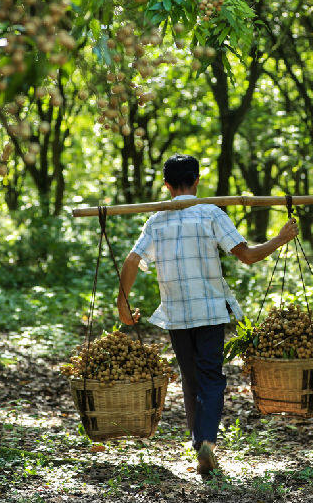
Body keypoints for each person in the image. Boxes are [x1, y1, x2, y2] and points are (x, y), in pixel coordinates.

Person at [116, 154, 298, 477]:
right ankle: (207, 445)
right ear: (197, 181)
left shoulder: (157, 220)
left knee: (191, 380)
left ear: (167, 185)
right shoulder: (211, 214)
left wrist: (123, 304)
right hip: (211, 312)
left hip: (177, 315)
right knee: (211, 378)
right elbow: (248, 256)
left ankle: (198, 442)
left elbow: (132, 261)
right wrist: (281, 239)